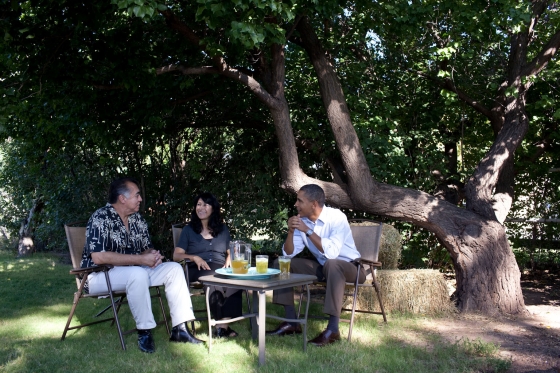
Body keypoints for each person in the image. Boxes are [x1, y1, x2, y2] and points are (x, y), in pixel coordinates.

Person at [80, 177, 203, 353]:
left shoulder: (137, 219)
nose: (140, 199)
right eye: (137, 195)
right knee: (137, 274)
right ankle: (144, 332)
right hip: (98, 275)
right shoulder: (100, 217)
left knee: (174, 269)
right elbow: (99, 257)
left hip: (133, 271)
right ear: (122, 198)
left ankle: (180, 329)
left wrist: (152, 255)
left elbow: (145, 249)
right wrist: (140, 260)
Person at [266, 184, 365, 347]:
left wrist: (309, 231)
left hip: (351, 268)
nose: (295, 204)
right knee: (282, 263)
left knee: (333, 264)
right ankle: (291, 322)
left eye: (299, 201)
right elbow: (288, 253)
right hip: (324, 267)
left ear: (314, 204)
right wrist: (291, 231)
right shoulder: (301, 221)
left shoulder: (336, 217)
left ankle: (333, 329)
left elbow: (332, 253)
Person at [173, 192, 243, 338]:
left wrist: (229, 260)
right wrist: (193, 257)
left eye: (206, 204)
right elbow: (176, 255)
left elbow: (229, 251)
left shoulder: (222, 229)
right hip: (197, 268)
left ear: (213, 208)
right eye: (198, 204)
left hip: (219, 267)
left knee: (237, 280)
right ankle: (223, 327)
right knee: (213, 280)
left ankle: (222, 325)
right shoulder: (188, 230)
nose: (201, 208)